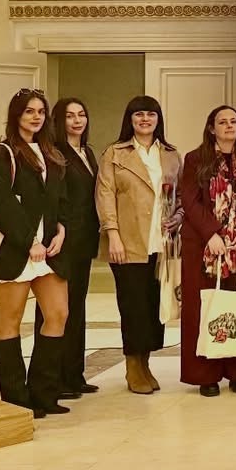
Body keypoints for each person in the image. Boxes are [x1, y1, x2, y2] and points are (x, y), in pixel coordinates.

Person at [0, 88, 70, 418]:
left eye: (41, 111)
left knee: (58, 315)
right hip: (16, 250)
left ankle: (43, 394)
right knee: (11, 320)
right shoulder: (1, 153)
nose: (36, 117)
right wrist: (28, 241)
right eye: (29, 111)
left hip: (49, 250)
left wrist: (61, 229)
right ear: (16, 115)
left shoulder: (51, 154)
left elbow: (58, 200)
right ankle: (15, 400)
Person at [97, 95, 182, 395]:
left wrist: (179, 216)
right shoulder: (115, 153)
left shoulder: (171, 154)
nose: (145, 119)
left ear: (158, 119)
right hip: (128, 242)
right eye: (139, 115)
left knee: (153, 307)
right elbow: (105, 195)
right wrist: (113, 234)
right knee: (133, 307)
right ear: (130, 119)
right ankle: (133, 366)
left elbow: (180, 196)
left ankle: (145, 363)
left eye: (151, 114)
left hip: (162, 243)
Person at [178, 105, 236, 396]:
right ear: (212, 128)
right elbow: (189, 200)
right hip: (204, 246)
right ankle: (206, 374)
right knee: (204, 308)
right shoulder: (195, 159)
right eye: (222, 122)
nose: (229, 126)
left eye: (233, 121)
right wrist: (211, 233)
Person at [45, 98, 100, 398]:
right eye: (69, 116)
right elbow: (56, 199)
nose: (77, 120)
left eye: (81, 114)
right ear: (59, 120)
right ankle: (54, 379)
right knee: (57, 311)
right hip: (63, 242)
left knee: (77, 309)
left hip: (84, 242)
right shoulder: (55, 154)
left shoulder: (87, 152)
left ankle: (74, 375)